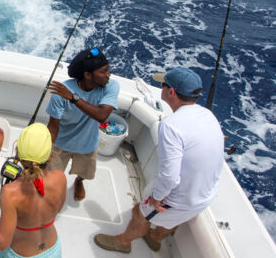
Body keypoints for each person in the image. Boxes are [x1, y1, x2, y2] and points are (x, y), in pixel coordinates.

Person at [94, 67, 224, 254]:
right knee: (173, 219)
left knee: (139, 213)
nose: (160, 88)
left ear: (170, 92)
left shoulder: (171, 126)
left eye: (163, 85)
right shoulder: (208, 116)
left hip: (178, 199)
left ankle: (123, 242)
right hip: (204, 197)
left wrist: (155, 199)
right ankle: (155, 237)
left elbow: (170, 176)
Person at [0, 123, 67, 258]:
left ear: (18, 153)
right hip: (53, 250)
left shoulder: (10, 192)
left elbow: (1, 243)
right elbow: (58, 209)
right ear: (50, 154)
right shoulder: (60, 178)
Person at [45, 47, 119, 201]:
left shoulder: (110, 86)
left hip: (88, 144)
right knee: (51, 179)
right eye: (104, 71)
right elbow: (53, 126)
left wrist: (73, 98)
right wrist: (44, 151)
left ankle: (79, 182)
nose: (108, 74)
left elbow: (102, 116)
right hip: (61, 145)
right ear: (87, 75)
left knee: (85, 173)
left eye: (108, 70)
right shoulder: (60, 94)